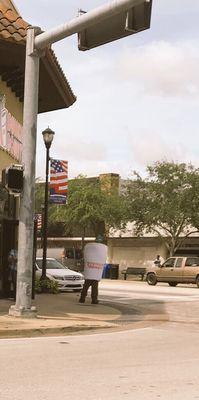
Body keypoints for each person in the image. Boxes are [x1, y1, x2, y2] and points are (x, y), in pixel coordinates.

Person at [79, 239, 107, 305]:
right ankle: (94, 300)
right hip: (95, 273)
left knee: (86, 286)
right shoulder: (101, 249)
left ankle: (82, 299)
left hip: (89, 272)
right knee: (94, 288)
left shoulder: (89, 248)